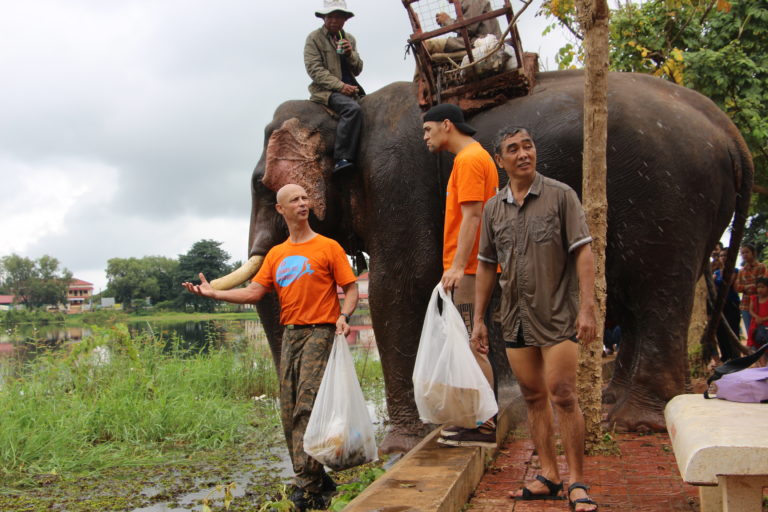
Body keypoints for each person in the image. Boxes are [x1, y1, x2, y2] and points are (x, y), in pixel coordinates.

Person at [182, 184, 358, 512]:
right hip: (291, 335)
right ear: (281, 210)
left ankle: (305, 487)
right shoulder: (277, 254)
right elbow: (253, 292)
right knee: (289, 409)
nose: (303, 203)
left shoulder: (328, 247)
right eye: (295, 200)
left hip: (321, 331)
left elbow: (350, 289)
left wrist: (345, 316)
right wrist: (214, 294)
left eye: (305, 198)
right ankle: (318, 480)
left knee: (307, 406)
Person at [471, 127, 598, 511]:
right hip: (515, 316)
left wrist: (588, 307)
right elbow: (487, 265)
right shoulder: (494, 208)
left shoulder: (561, 196)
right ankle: (548, 475)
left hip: (557, 313)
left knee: (562, 393)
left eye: (528, 146)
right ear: (500, 160)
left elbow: (583, 252)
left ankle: (577, 481)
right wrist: (478, 320)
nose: (524, 153)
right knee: (531, 395)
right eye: (514, 149)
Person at [422, 103, 499, 448]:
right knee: (473, 342)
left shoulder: (468, 160)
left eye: (428, 129)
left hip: (468, 269)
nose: (425, 136)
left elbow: (472, 217)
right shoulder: (474, 158)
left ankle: (484, 425)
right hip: (471, 266)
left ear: (447, 125)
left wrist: (456, 265)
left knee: (472, 345)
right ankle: (478, 418)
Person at [304, 0, 364, 174]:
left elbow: (358, 69)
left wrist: (350, 54)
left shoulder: (349, 39)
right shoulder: (314, 39)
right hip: (326, 91)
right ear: (324, 18)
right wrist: (339, 86)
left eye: (338, 16)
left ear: (345, 19)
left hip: (352, 89)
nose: (334, 20)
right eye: (330, 16)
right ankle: (341, 158)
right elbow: (314, 70)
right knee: (352, 110)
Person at [426, 0, 501, 54]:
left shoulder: (470, 1)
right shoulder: (463, 3)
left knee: (428, 45)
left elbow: (469, 28)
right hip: (472, 42)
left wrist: (447, 21)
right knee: (426, 47)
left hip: (481, 43)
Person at [713, 248, 741, 362]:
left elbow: (728, 283)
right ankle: (725, 356)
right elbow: (712, 286)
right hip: (720, 305)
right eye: (721, 255)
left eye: (726, 255)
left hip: (731, 303)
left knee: (733, 328)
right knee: (720, 331)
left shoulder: (735, 270)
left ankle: (736, 356)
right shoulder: (716, 273)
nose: (723, 258)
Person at [734, 243, 766, 335]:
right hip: (746, 305)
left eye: (747, 252)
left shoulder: (761, 267)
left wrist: (748, 287)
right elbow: (737, 287)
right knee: (751, 333)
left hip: (759, 303)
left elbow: (762, 284)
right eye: (742, 253)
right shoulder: (741, 271)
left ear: (753, 253)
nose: (744, 255)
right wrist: (747, 287)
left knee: (762, 332)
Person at [748, 277, 768, 361]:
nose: (760, 289)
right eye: (758, 287)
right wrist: (757, 317)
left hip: (766, 324)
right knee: (758, 345)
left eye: (762, 287)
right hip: (756, 325)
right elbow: (750, 310)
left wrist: (763, 319)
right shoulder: (754, 298)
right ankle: (762, 366)